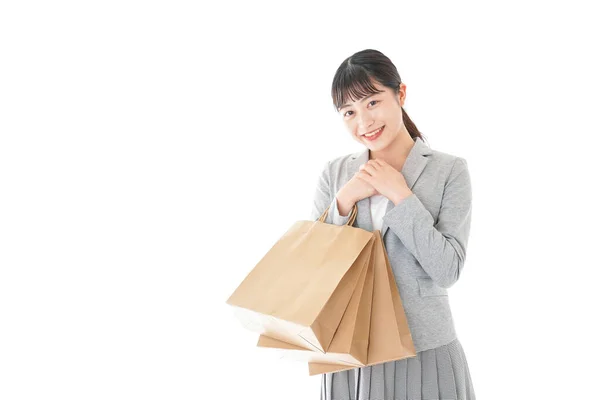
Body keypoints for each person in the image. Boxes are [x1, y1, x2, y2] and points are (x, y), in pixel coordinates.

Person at [311, 49, 476, 400]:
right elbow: (315, 272)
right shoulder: (336, 174)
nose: (364, 122)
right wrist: (344, 201)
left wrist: (402, 198)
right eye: (349, 112)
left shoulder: (450, 170)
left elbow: (448, 270)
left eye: (372, 102)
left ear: (400, 94)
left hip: (425, 351)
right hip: (351, 355)